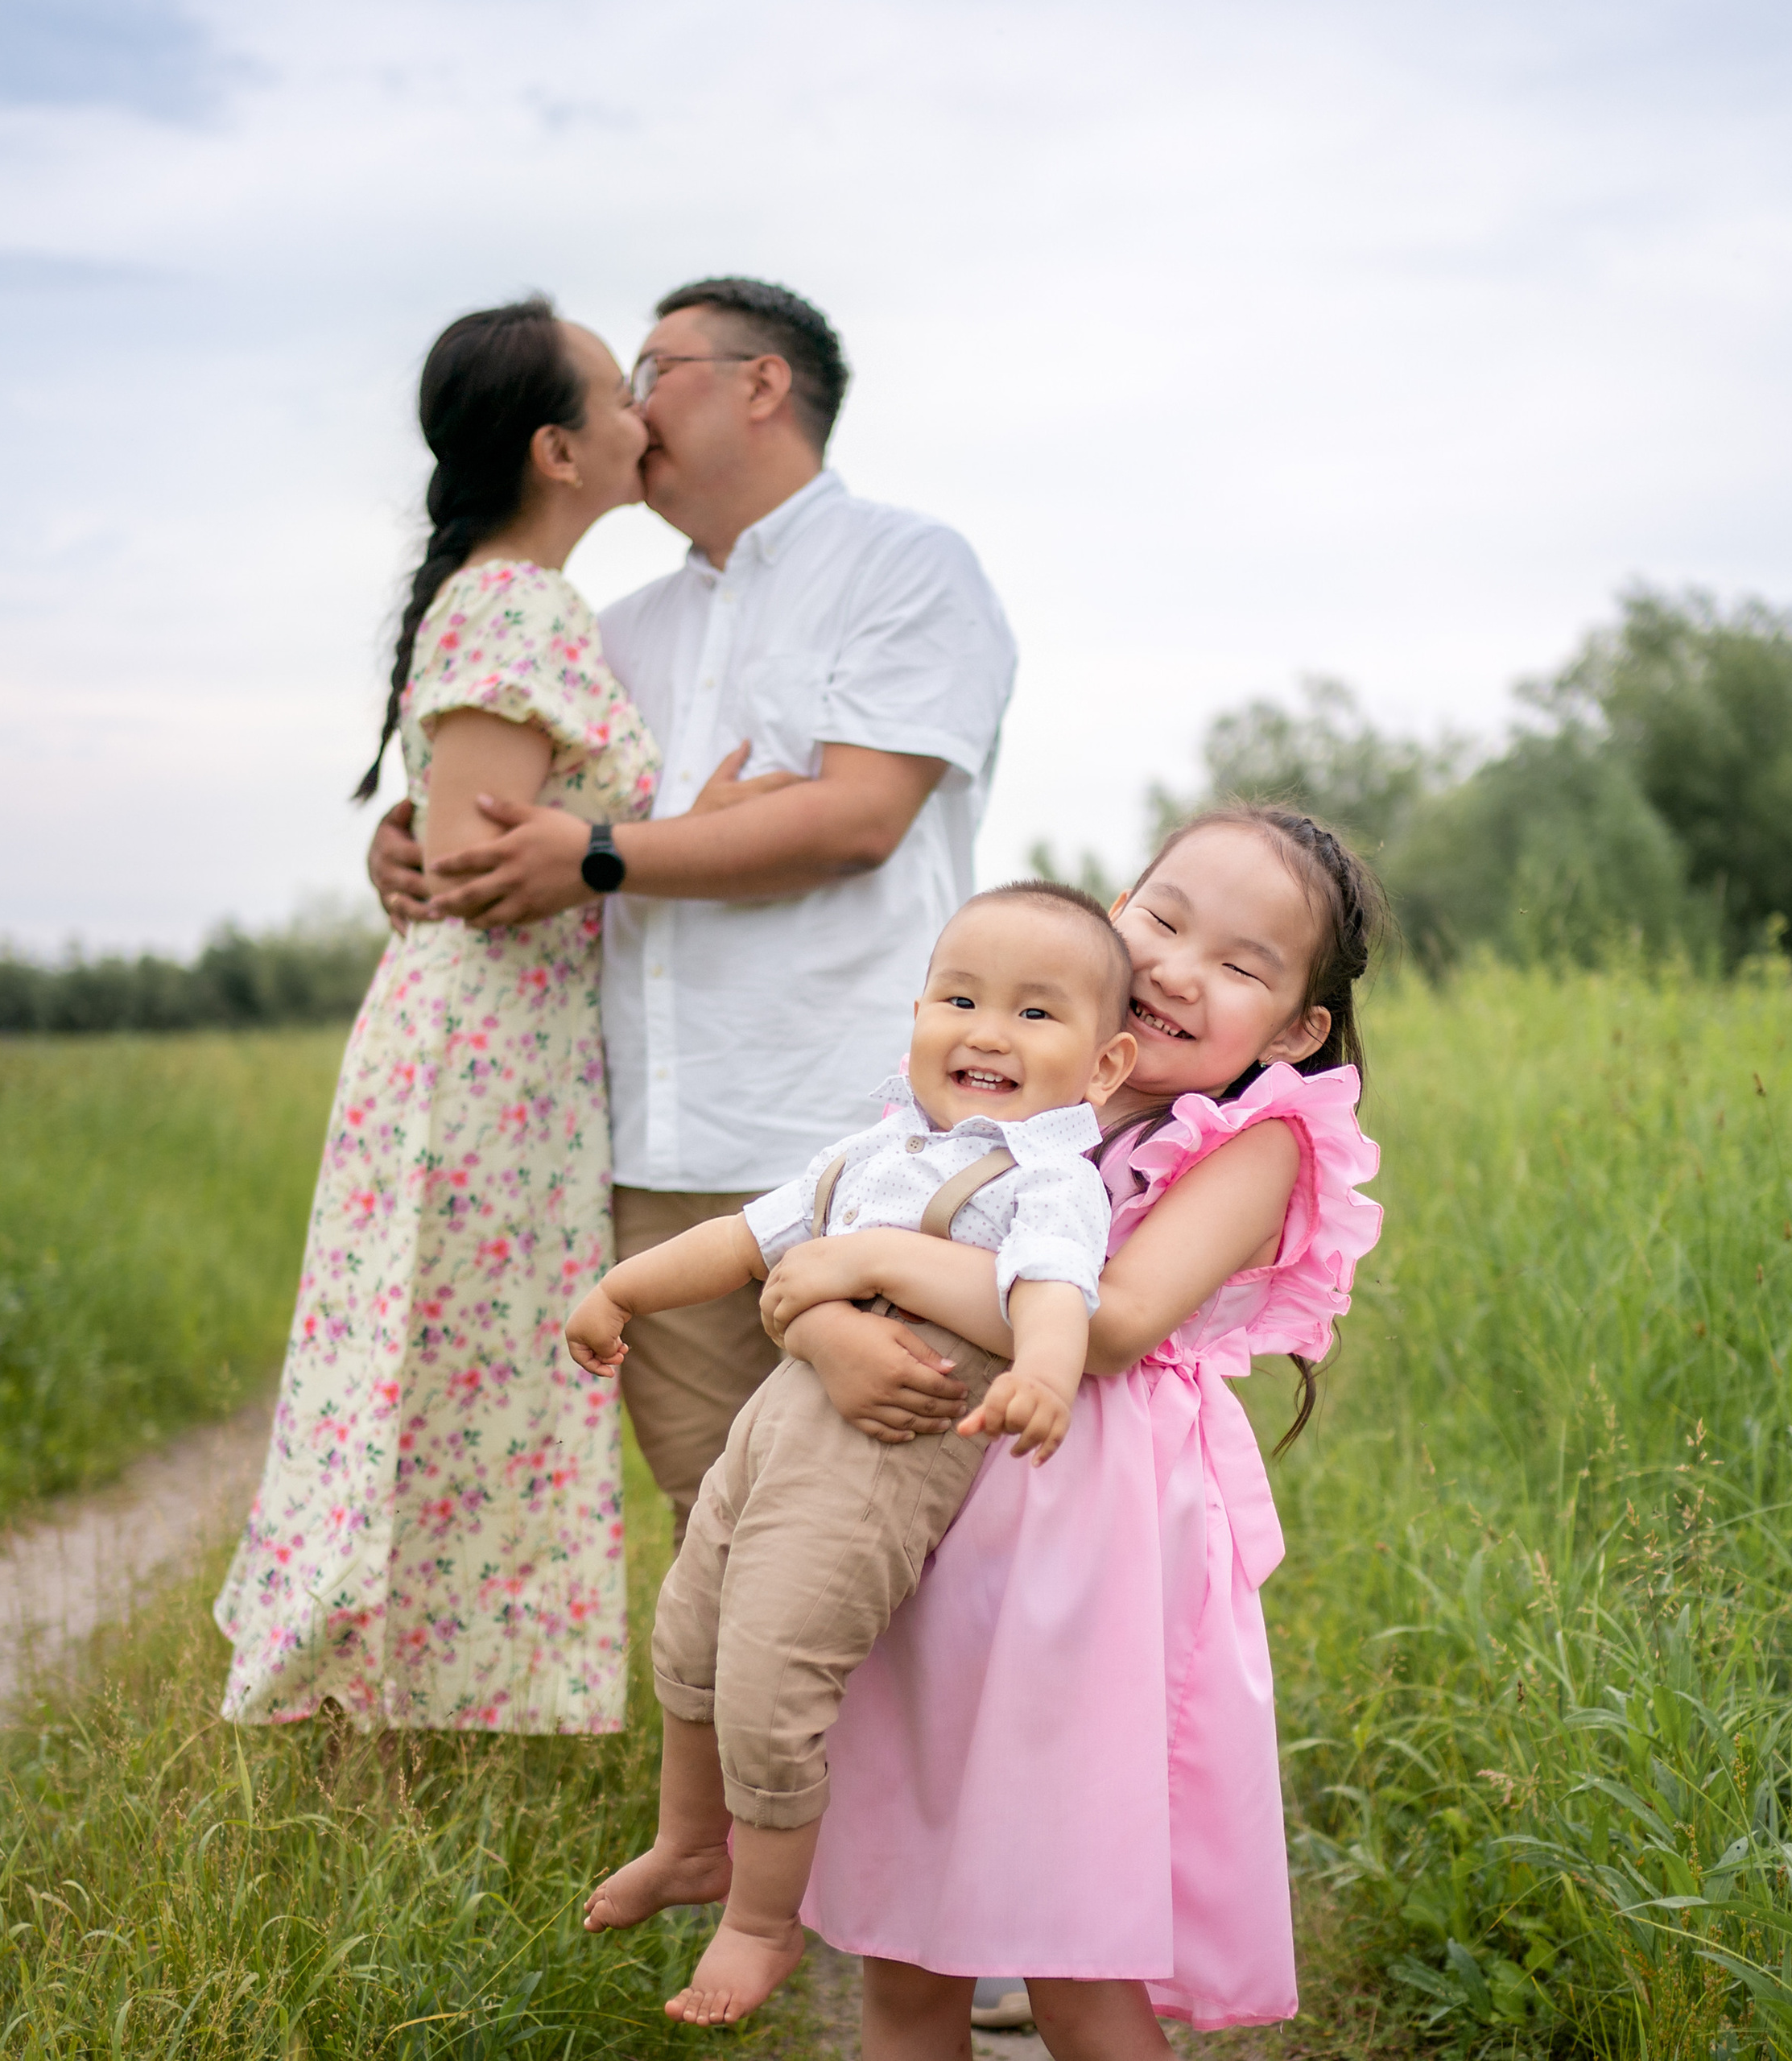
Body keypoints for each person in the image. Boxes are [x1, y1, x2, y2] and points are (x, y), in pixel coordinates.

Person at [366, 277, 1018, 1543]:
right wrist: (410, 851)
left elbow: (857, 818)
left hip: (853, 1139)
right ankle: (735, 1752)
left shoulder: (909, 566)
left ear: (761, 383)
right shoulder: (616, 628)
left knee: (889, 1526)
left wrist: (599, 855)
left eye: (653, 371)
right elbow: (511, 820)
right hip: (655, 1152)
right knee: (714, 1526)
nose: (631, 408)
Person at [759, 807, 1388, 2055]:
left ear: (1298, 1029)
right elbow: (806, 1269)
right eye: (1161, 917)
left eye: (1240, 964)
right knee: (904, 1945)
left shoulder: (1256, 1143)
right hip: (921, 1521)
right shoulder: (997, 1092)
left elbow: (1112, 1321)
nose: (1174, 967)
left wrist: (868, 1259)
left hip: (1088, 1562)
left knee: (1074, 1956)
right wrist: (829, 1322)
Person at [566, 883, 1138, 2025]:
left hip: (875, 1471)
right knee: (690, 1633)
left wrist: (1039, 1368)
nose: (986, 1030)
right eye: (961, 998)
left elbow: (1056, 1288)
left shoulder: (1045, 1180)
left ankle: (763, 1924)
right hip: (772, 1432)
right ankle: (690, 1845)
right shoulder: (869, 1154)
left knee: (775, 1675)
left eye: (1035, 1015)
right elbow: (741, 1240)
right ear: (917, 1009)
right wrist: (624, 1287)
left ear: (1107, 1066)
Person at [213, 299, 663, 1733]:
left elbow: (459, 844)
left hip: (496, 1049)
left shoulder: (505, 599)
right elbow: (479, 869)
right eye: (618, 394)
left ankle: (431, 1699)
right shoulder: (519, 602)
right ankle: (404, 1707)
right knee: (454, 1368)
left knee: (454, 1370)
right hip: (487, 1058)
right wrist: (709, 825)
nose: (644, 413)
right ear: (560, 449)